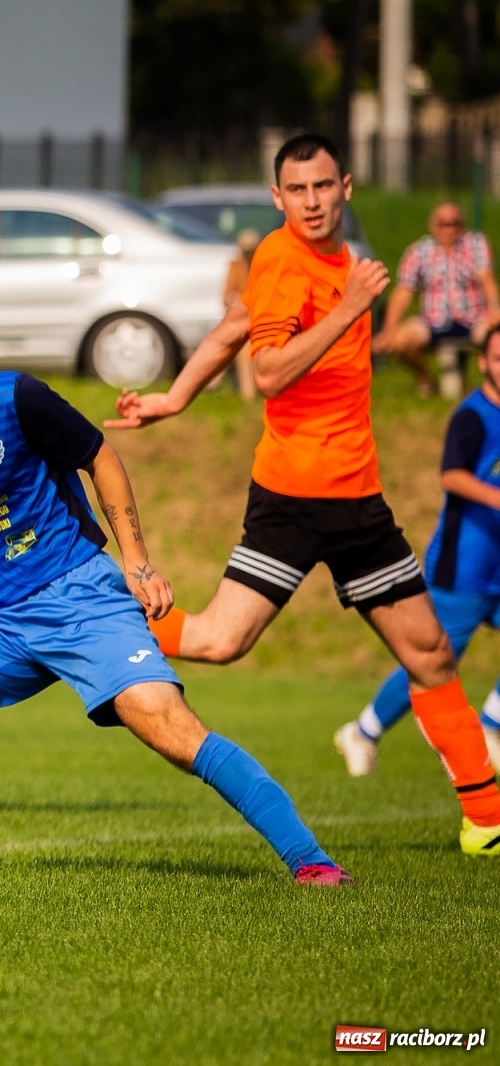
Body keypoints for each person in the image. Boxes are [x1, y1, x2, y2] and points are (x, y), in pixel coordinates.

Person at [0, 286, 348, 885]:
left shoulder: (14, 398)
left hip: (77, 595)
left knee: (169, 726)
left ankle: (310, 861)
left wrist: (137, 562)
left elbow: (101, 457)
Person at [106, 133, 500, 857]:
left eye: (324, 187)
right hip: (290, 497)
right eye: (298, 190)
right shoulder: (287, 260)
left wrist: (176, 398)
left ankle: (488, 817)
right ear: (278, 197)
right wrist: (350, 308)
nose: (312, 202)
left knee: (431, 654)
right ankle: (94, 631)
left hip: (358, 502)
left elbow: (231, 327)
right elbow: (272, 372)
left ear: (345, 187)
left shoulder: (342, 262)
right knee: (220, 641)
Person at [335, 329, 500, 779]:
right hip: (463, 568)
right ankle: (363, 731)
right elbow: (453, 476)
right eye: (499, 358)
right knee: (430, 661)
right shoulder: (473, 417)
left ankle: (491, 726)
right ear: (483, 363)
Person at [374, 202, 500, 396]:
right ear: (432, 225)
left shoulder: (475, 244)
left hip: (474, 319)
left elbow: (487, 279)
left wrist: (494, 309)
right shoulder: (418, 252)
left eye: (454, 223)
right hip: (434, 322)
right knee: (399, 340)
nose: (449, 229)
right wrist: (389, 329)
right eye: (443, 224)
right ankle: (426, 379)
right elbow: (403, 292)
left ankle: (491, 388)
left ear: (462, 224)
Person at [219, 228, 260, 401]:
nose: (248, 254)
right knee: (237, 343)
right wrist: (237, 300)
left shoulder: (263, 265)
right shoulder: (235, 266)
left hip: (260, 319)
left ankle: (248, 392)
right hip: (242, 318)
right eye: (245, 250)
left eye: (251, 250)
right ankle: (246, 392)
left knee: (245, 344)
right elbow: (225, 298)